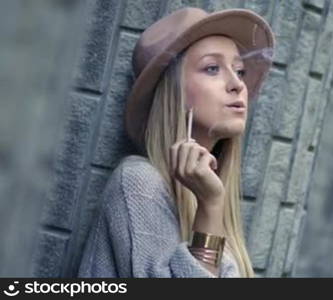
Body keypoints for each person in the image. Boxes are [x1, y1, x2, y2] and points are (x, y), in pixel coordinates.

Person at [77, 7, 275, 278]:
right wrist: (211, 205)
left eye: (239, 71)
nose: (237, 84)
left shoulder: (214, 198)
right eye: (212, 68)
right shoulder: (138, 184)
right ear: (174, 95)